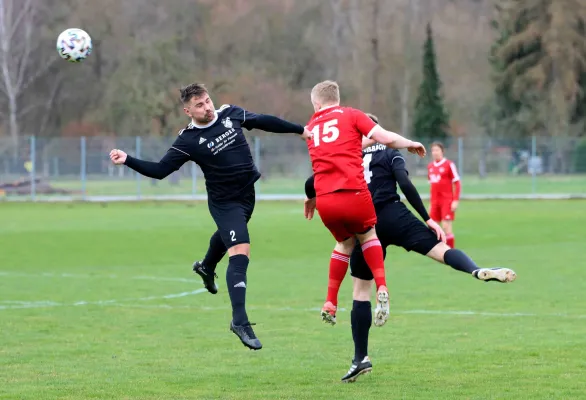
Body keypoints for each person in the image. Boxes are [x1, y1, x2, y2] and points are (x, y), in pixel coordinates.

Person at [303, 113, 516, 382]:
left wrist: (311, 196)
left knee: (360, 291)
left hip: (364, 221)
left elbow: (314, 181)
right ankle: (476, 270)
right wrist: (427, 218)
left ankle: (361, 358)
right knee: (440, 250)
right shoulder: (390, 152)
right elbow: (405, 183)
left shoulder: (347, 153)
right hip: (395, 214)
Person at [109, 83, 312, 351]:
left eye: (207, 101)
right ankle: (240, 321)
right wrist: (128, 159)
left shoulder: (230, 114)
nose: (207, 108)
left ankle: (206, 266)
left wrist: (300, 130)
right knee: (239, 249)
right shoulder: (188, 141)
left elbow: (264, 121)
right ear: (187, 110)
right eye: (200, 105)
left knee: (229, 237)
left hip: (247, 196)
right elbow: (160, 170)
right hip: (224, 203)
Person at [304, 80, 426, 329]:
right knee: (368, 235)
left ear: (316, 104)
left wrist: (311, 197)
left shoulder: (311, 127)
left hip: (326, 200)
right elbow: (385, 138)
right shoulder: (351, 115)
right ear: (337, 98)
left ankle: (330, 300)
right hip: (355, 194)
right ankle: (381, 285)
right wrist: (410, 143)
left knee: (344, 243)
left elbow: (325, 162)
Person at [428, 142, 461, 248]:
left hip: (446, 200)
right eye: (433, 150)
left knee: (446, 226)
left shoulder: (449, 164)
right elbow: (432, 186)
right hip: (434, 202)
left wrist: (455, 200)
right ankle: (438, 250)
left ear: (442, 151)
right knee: (434, 227)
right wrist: (430, 203)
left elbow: (457, 183)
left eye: (437, 150)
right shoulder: (430, 167)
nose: (435, 152)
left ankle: (451, 251)